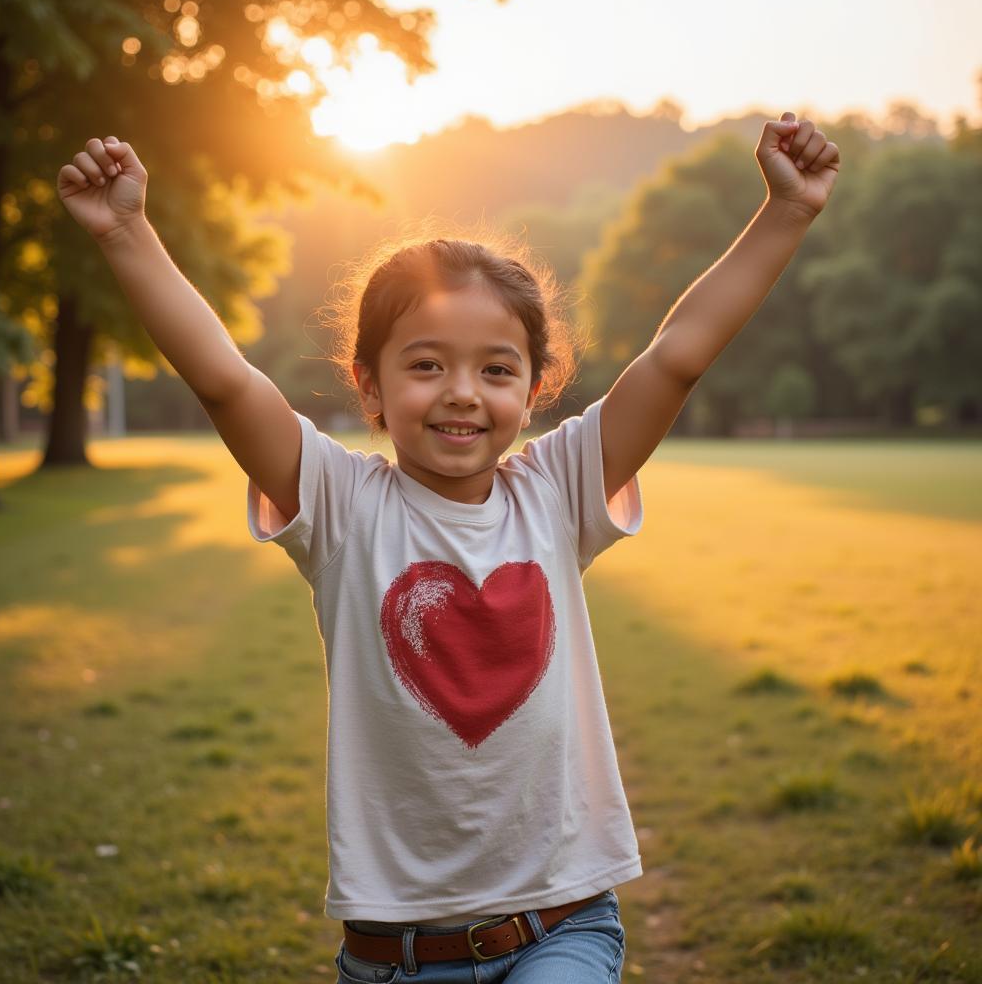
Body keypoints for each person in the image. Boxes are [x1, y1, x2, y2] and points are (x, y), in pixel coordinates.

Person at [57, 113, 839, 983]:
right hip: (395, 956)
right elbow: (223, 377)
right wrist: (126, 231)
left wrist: (785, 213)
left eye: (497, 370)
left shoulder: (557, 491)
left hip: (562, 927)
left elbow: (676, 357)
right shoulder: (340, 504)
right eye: (426, 365)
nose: (463, 394)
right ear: (371, 386)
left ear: (534, 388)